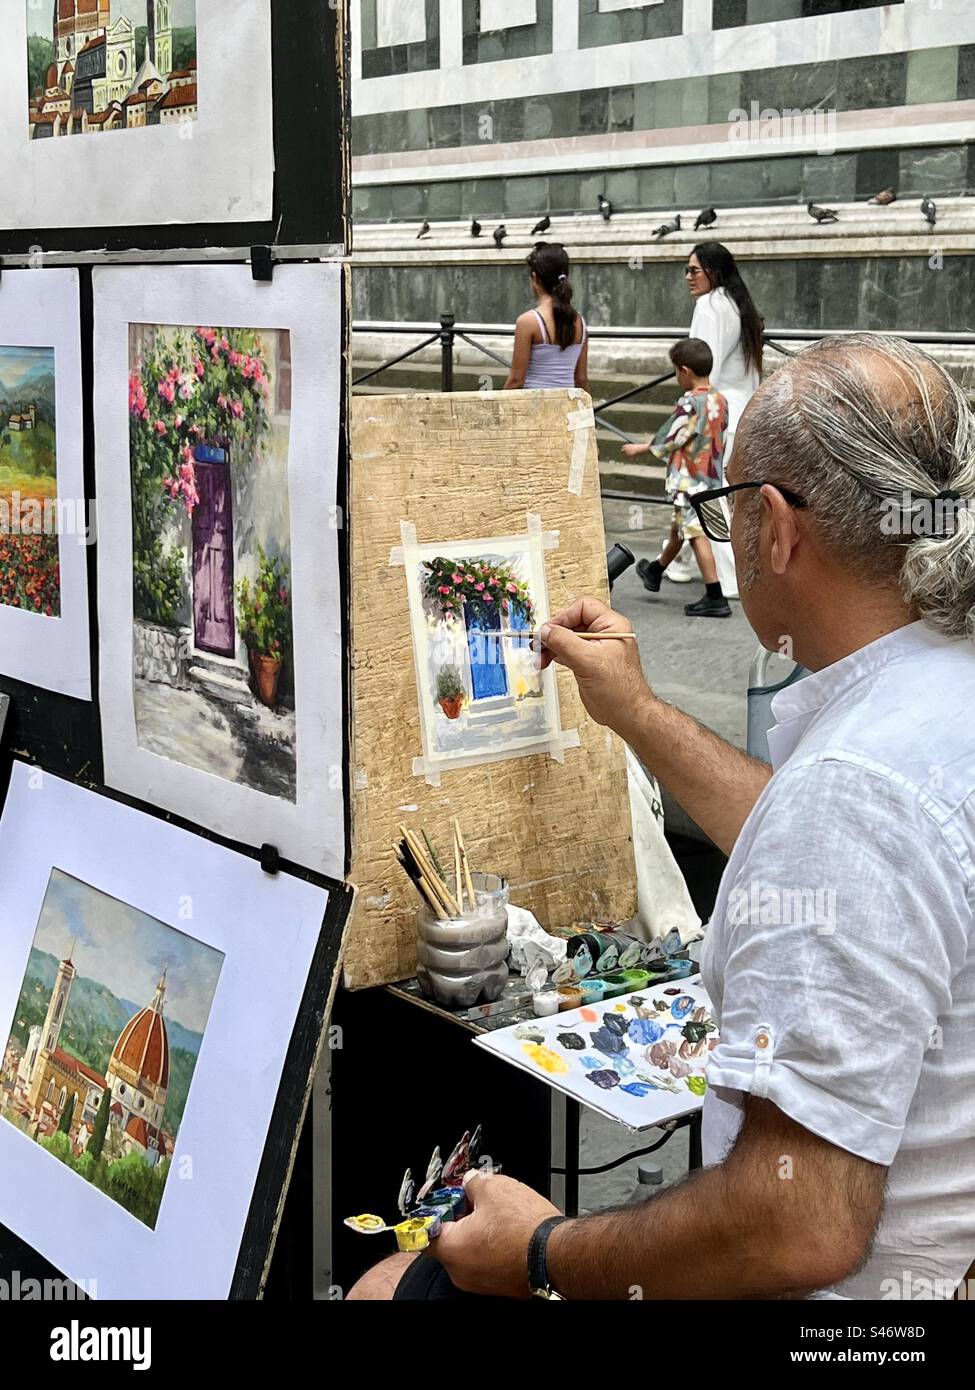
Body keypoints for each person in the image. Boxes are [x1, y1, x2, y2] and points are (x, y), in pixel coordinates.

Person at [351, 334, 975, 1301]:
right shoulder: (930, 703)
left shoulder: (855, 791)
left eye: (725, 509)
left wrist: (541, 1253)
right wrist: (636, 711)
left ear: (772, 527)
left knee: (390, 1281)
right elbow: (831, 858)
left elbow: (796, 1224)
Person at [670, 241, 764, 600]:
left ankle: (729, 578)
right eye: (687, 270)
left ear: (714, 271)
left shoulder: (710, 305)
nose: (688, 277)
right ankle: (678, 559)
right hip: (740, 410)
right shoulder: (739, 305)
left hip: (715, 414)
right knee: (712, 490)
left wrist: (690, 413)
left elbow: (701, 367)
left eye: (694, 270)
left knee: (708, 493)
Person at [622, 338, 730, 618]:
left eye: (675, 372)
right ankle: (655, 570)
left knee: (695, 535)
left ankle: (715, 595)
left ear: (685, 371)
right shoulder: (721, 399)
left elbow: (674, 436)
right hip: (710, 475)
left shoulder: (690, 402)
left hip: (689, 479)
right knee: (680, 528)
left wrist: (643, 448)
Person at [503, 243, 589, 392]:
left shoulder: (528, 322)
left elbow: (516, 381)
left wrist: (498, 411)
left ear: (535, 278)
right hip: (566, 411)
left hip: (535, 411)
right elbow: (581, 379)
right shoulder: (580, 322)